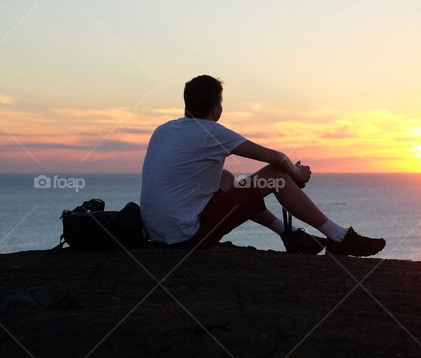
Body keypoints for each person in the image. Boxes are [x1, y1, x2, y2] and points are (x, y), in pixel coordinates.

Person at [139, 75, 386, 257]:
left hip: (159, 234)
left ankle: (287, 233)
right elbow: (276, 158)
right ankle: (339, 237)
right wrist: (296, 172)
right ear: (216, 106)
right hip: (187, 236)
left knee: (224, 178)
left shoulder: (163, 130)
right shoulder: (211, 131)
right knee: (277, 176)